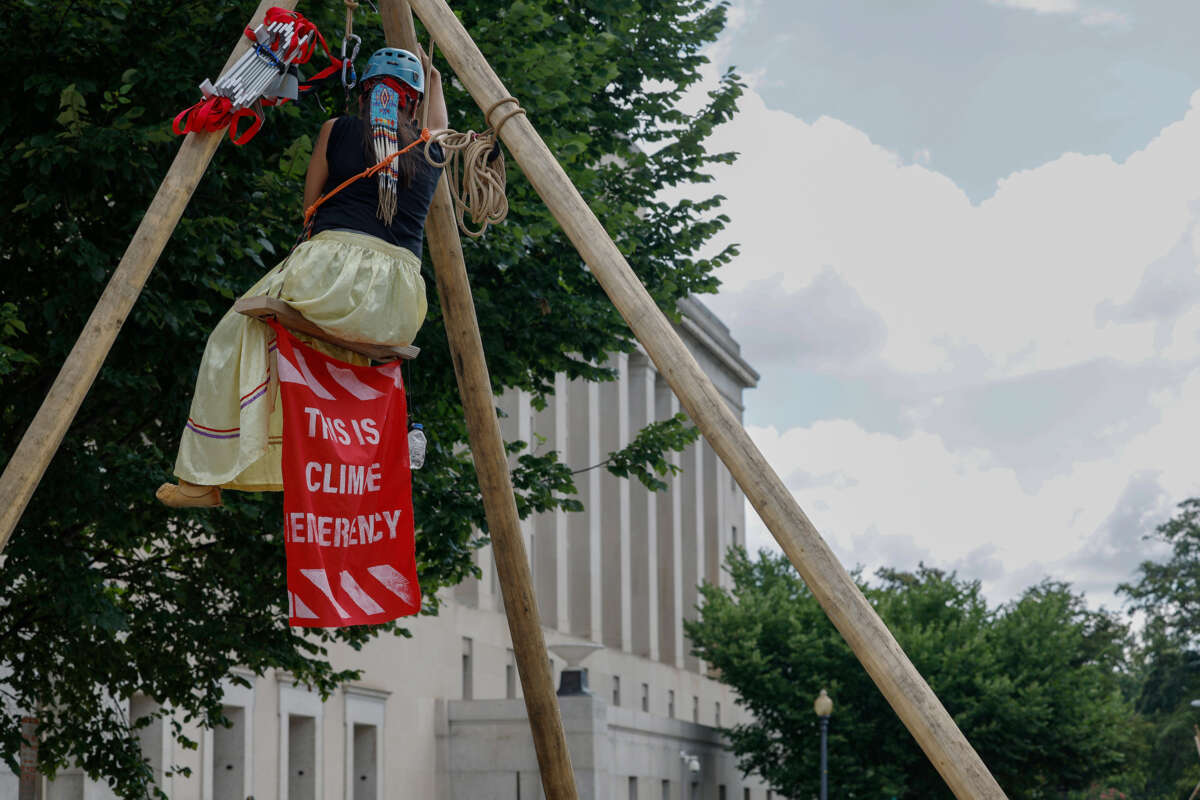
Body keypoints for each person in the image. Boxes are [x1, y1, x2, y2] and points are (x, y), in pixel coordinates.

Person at [156, 46, 448, 508]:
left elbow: (309, 207)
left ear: (364, 92)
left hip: (332, 275)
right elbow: (441, 126)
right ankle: (327, 470)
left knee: (233, 335)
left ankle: (203, 475)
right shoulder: (432, 150)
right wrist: (434, 76)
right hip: (396, 305)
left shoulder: (337, 130)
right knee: (325, 355)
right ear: (414, 102)